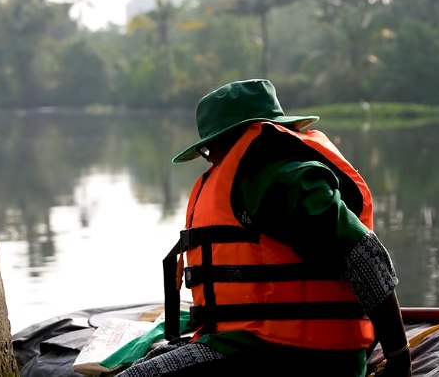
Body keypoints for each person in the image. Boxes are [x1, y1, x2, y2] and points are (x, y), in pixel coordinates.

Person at [118, 79, 411, 377]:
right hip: (249, 344)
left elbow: (365, 257)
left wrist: (399, 360)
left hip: (296, 355)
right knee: (146, 363)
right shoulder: (256, 176)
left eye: (208, 149)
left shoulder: (281, 180)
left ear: (233, 137)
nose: (210, 158)